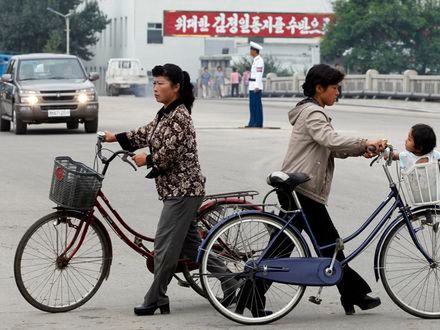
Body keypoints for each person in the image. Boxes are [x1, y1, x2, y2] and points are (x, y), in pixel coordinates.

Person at [277, 63, 385, 315]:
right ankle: (355, 293)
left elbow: (331, 145)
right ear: (319, 88)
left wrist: (361, 149)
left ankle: (353, 294)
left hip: (299, 187)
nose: (338, 92)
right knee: (326, 244)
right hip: (303, 188)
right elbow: (330, 139)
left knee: (314, 244)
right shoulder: (314, 113)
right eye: (335, 88)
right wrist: (363, 140)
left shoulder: (310, 111)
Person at [101, 63, 206, 316]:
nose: (155, 88)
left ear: (176, 87)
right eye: (154, 83)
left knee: (164, 247)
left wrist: (145, 160)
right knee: (193, 249)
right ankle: (233, 280)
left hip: (184, 191)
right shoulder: (165, 114)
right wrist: (115, 137)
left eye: (161, 83)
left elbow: (168, 153)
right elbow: (146, 133)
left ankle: (156, 297)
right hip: (174, 191)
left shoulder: (180, 116)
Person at [246, 41, 264, 127]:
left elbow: (259, 74)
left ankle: (258, 123)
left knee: (257, 105)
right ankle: (252, 122)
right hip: (252, 86)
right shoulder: (255, 60)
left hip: (256, 86)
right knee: (252, 105)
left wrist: (257, 86)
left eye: (251, 50)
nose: (250, 52)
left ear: (254, 51)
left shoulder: (259, 60)